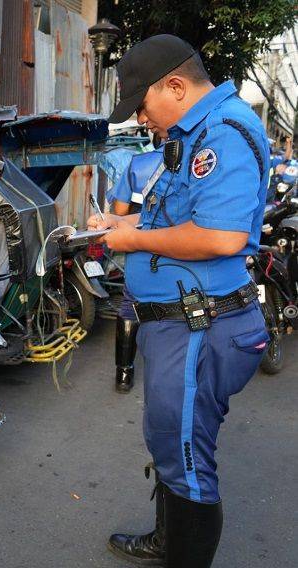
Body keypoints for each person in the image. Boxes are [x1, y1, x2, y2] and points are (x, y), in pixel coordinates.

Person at [90, 35, 270, 567]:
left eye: (142, 106)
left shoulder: (225, 133)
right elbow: (179, 216)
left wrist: (133, 240)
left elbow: (221, 238)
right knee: (172, 444)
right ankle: (168, 541)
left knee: (188, 460)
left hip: (201, 328)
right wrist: (123, 223)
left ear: (175, 86)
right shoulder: (194, 131)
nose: (141, 120)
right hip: (179, 326)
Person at [106, 148, 163, 393]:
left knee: (131, 305)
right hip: (179, 247)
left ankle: (124, 373)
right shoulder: (193, 159)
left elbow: (118, 212)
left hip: (139, 245)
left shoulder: (139, 164)